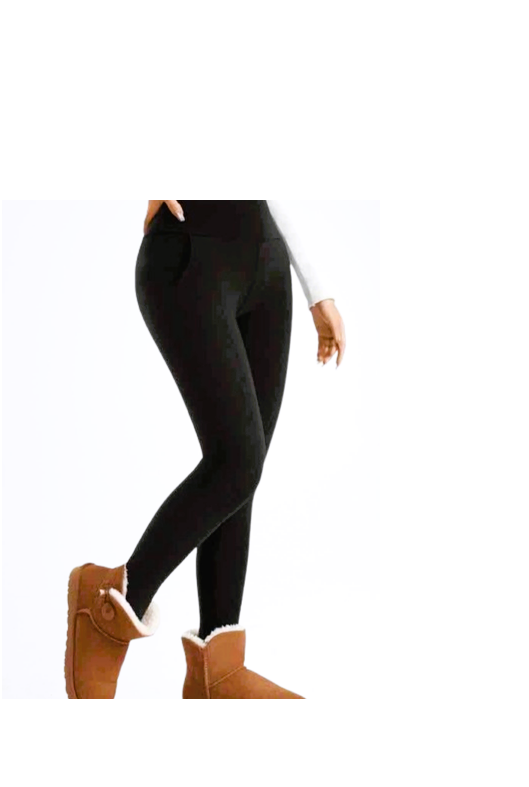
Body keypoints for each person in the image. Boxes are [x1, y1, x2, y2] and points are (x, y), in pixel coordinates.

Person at [65, 200, 346, 699]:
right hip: (189, 250)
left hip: (268, 258)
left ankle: (217, 671)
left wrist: (316, 286)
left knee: (243, 473)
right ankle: (110, 606)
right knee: (237, 462)